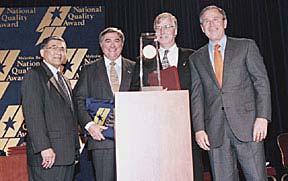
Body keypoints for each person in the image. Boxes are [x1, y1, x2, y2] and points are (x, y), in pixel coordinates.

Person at [189, 5, 271, 181]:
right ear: (202, 28)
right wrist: (199, 129)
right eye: (206, 22)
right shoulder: (196, 58)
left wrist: (263, 117)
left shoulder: (246, 46)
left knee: (257, 177)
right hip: (215, 132)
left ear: (225, 22)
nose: (212, 24)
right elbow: (197, 96)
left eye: (215, 19)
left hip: (248, 126)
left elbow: (261, 82)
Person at [131, 12, 204, 181]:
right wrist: (149, 94)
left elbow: (201, 91)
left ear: (175, 30)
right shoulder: (142, 61)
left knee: (191, 173)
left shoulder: (193, 57)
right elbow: (134, 91)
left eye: (167, 27)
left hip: (188, 127)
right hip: (155, 130)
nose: (162, 31)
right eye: (158, 27)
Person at [73, 27, 135, 181]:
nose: (112, 45)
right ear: (101, 45)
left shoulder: (135, 68)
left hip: (133, 139)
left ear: (122, 44)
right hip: (101, 139)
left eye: (117, 40)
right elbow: (78, 101)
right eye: (108, 41)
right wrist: (89, 126)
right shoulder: (88, 70)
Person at [21, 36, 80, 181]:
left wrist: (75, 149)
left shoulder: (64, 79)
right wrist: (44, 147)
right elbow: (33, 115)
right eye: (53, 47)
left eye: (62, 49)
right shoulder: (34, 75)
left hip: (67, 156)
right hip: (48, 156)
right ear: (42, 53)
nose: (58, 52)